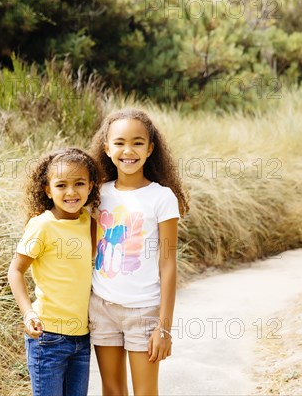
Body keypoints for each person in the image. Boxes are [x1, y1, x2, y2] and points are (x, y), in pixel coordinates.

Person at [88, 108, 189, 396]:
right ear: (106, 148)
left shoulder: (161, 197)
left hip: (143, 311)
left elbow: (168, 264)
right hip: (102, 307)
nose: (128, 150)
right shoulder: (97, 194)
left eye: (137, 142)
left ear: (150, 149)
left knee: (145, 392)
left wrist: (164, 327)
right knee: (112, 389)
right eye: (119, 142)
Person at [7, 148, 101, 396]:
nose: (71, 192)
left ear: (90, 186)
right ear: (48, 190)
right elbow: (15, 271)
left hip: (81, 338)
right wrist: (28, 314)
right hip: (48, 337)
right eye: (61, 185)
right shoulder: (42, 225)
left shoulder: (89, 223)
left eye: (79, 183)